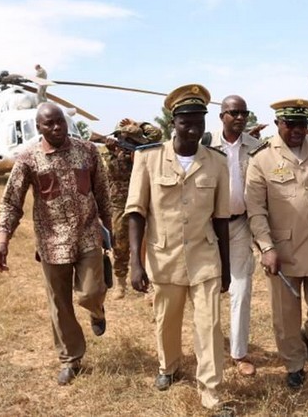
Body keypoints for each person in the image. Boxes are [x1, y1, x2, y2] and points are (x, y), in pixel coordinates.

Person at [124, 84, 233, 414]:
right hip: (164, 256)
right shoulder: (148, 158)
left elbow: (222, 219)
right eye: (187, 121)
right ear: (174, 122)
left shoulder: (216, 162)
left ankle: (211, 392)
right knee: (166, 321)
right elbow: (136, 212)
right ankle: (168, 367)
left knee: (209, 327)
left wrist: (226, 268)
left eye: (200, 120)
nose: (194, 128)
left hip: (205, 258)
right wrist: (135, 262)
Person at [0, 102, 112, 386]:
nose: (57, 127)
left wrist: (109, 228)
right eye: (50, 124)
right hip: (51, 242)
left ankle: (97, 311)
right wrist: (3, 240)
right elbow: (12, 202)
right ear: (39, 128)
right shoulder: (28, 159)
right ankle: (71, 360)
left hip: (88, 234)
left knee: (91, 291)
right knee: (60, 305)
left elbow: (103, 194)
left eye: (60, 121)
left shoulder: (88, 151)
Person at [245, 98, 308, 389]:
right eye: (290, 124)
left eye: (302, 124)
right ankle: (293, 363)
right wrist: (266, 248)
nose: (296, 130)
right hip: (283, 252)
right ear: (278, 123)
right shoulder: (261, 157)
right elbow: (256, 210)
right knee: (285, 314)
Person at [209, 95, 260, 377]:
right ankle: (210, 347)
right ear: (222, 117)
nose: (239, 118)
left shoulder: (255, 147)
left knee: (241, 288)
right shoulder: (205, 145)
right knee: (210, 288)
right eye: (233, 113)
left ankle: (239, 353)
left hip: (241, 225)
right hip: (208, 227)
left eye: (244, 112)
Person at [94, 119, 162, 299]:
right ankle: (121, 283)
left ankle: (151, 286)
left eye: (133, 139)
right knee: (120, 245)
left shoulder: (145, 151)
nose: (129, 143)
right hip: (120, 205)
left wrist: (140, 124)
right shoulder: (109, 155)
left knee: (148, 245)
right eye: (125, 138)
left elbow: (157, 134)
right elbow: (113, 174)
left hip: (146, 203)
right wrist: (114, 153)